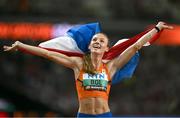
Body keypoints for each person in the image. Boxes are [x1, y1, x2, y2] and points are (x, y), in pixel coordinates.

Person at [3, 22, 173, 117]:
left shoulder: (111, 67)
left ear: (107, 49)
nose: (97, 42)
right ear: (90, 46)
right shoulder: (78, 64)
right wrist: (21, 45)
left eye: (101, 41)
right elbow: (48, 54)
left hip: (104, 116)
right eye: (94, 40)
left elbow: (135, 46)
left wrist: (156, 29)